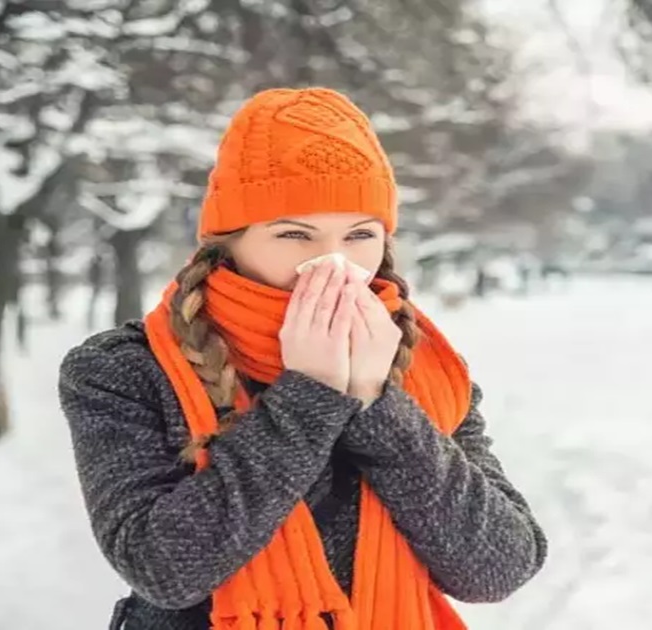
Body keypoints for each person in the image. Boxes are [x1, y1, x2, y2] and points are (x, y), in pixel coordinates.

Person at [58, 87, 547, 630]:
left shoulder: (427, 370)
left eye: (360, 234)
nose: (332, 263)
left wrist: (377, 407)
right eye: (294, 233)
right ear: (229, 242)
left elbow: (500, 569)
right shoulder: (124, 369)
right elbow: (164, 569)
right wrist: (311, 393)